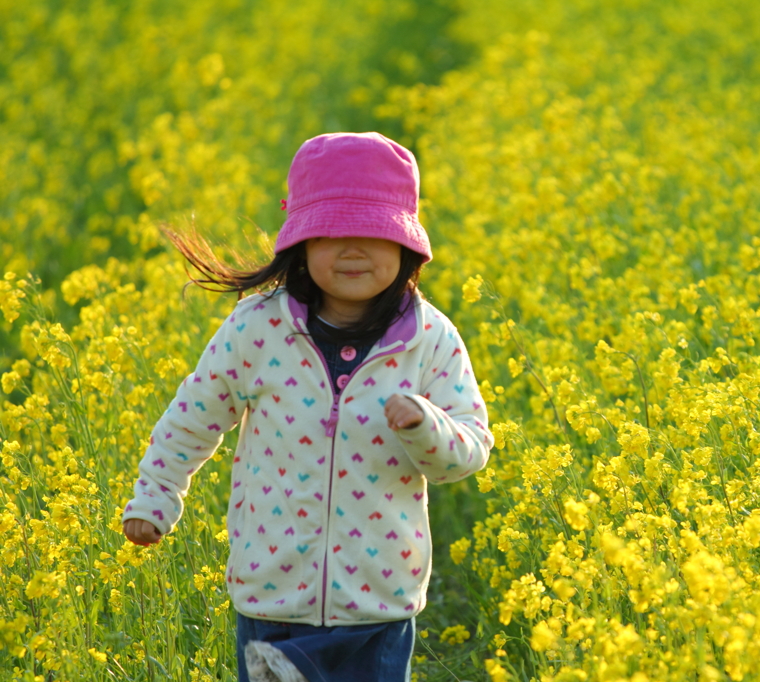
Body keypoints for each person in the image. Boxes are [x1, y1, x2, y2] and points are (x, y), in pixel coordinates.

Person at [121, 132, 493, 682]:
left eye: (373, 232)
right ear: (300, 241)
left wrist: (425, 426)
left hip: (379, 601)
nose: (351, 250)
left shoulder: (430, 338)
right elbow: (193, 415)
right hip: (273, 595)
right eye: (330, 233)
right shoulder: (256, 327)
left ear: (406, 245)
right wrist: (155, 497)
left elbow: (468, 452)